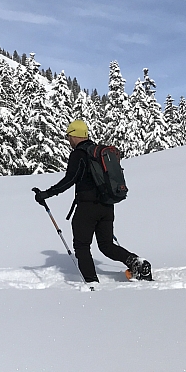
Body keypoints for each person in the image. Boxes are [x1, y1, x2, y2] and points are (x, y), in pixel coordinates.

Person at [34, 120, 152, 285]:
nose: (68, 140)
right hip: (107, 206)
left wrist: (47, 194)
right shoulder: (98, 153)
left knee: (82, 246)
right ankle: (136, 262)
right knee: (106, 245)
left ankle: (91, 283)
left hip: (87, 207)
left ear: (75, 135)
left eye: (69, 136)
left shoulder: (79, 154)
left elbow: (70, 179)